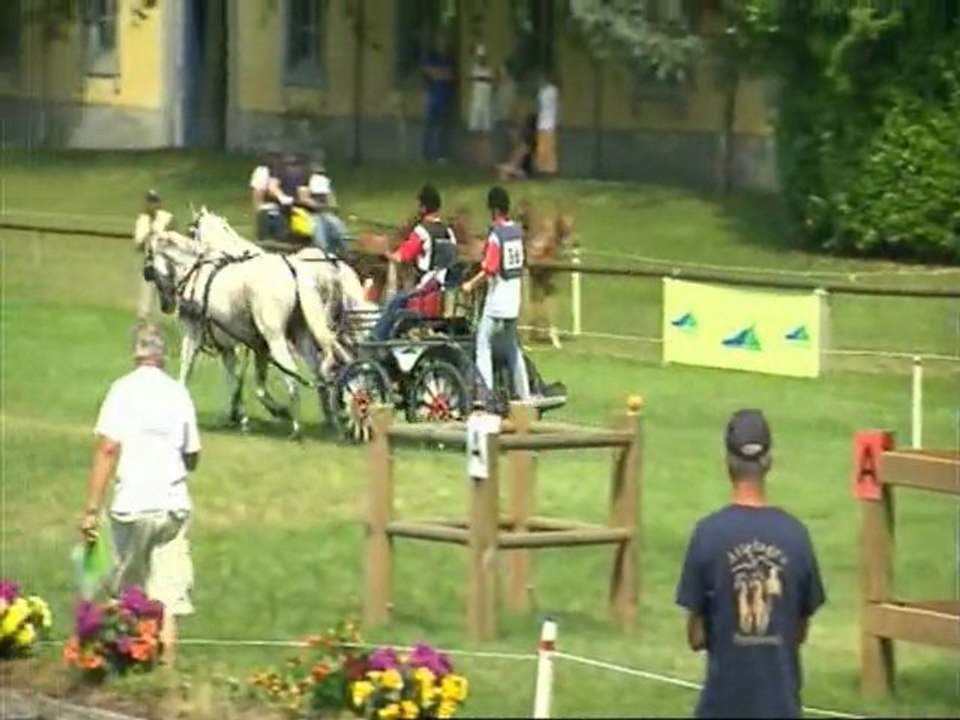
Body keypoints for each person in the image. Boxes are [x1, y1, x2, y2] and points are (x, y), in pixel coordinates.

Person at [675, 409, 827, 719]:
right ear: (768, 462)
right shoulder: (796, 535)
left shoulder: (708, 534)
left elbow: (696, 636)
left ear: (727, 464)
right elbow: (798, 631)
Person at [79, 322, 201, 667]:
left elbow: (107, 449)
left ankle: (123, 667)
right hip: (172, 507)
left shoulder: (122, 390)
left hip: (131, 504)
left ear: (136, 352)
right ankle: (166, 672)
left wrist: (91, 509)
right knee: (167, 599)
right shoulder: (179, 393)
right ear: (163, 355)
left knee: (124, 593)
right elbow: (192, 456)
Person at [462, 185, 531, 403]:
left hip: (497, 299)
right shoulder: (518, 232)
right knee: (512, 347)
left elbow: (490, 268)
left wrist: (470, 285)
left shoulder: (496, 236)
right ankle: (525, 393)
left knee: (483, 343)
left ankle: (485, 395)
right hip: (515, 298)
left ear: (493, 210)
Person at [370, 184, 458, 341]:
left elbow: (402, 256)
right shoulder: (449, 232)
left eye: (419, 205)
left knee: (395, 301)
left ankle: (375, 338)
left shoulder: (421, 231)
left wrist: (387, 253)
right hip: (445, 291)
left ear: (424, 207)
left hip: (425, 290)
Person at [132, 190, 174, 319]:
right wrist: (149, 234)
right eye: (149, 202)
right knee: (146, 295)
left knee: (166, 290)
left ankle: (167, 316)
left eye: (155, 201)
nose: (152, 205)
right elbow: (138, 246)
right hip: (149, 261)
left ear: (159, 203)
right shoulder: (142, 220)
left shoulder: (167, 218)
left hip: (165, 261)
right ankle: (144, 319)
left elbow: (174, 238)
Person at [422, 35, 456, 163]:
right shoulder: (432, 57)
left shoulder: (448, 59)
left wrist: (439, 74)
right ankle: (427, 154)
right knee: (431, 126)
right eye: (440, 41)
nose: (442, 44)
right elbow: (428, 72)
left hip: (445, 98)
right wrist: (441, 73)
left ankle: (440, 154)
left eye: (444, 42)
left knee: (442, 127)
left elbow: (450, 76)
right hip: (433, 98)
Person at [308, 172, 350, 258]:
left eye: (322, 195)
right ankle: (326, 252)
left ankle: (345, 253)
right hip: (313, 216)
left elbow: (333, 204)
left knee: (340, 230)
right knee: (319, 232)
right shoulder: (307, 190)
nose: (320, 197)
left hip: (327, 214)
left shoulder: (328, 192)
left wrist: (332, 207)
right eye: (317, 195)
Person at [467, 43, 494, 168]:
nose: (481, 59)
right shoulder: (475, 69)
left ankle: (484, 159)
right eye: (479, 57)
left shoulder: (488, 71)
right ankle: (474, 159)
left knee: (485, 133)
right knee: (475, 133)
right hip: (476, 106)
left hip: (485, 106)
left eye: (483, 57)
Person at [497, 112, 537, 181]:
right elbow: (512, 163)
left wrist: (501, 167)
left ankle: (509, 175)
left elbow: (514, 164)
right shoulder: (523, 145)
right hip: (519, 170)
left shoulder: (524, 146)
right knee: (503, 172)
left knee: (502, 170)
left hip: (523, 172)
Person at [534, 70, 559, 178]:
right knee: (541, 148)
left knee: (548, 148)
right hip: (542, 123)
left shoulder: (552, 91)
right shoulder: (543, 91)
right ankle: (543, 169)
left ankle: (550, 171)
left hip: (549, 123)